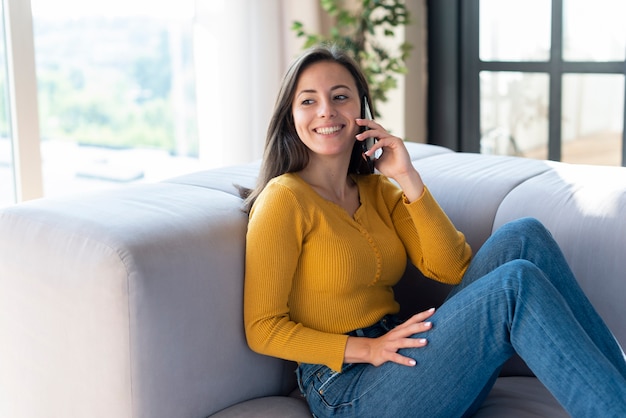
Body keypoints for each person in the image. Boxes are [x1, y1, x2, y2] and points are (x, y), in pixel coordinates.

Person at [240, 44, 626, 417]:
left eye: (340, 96)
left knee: (524, 236)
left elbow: (454, 268)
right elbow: (263, 329)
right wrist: (368, 349)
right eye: (308, 100)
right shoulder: (284, 198)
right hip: (347, 390)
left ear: (361, 108)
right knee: (514, 283)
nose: (326, 111)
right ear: (291, 116)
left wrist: (408, 177)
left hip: (414, 365)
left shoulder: (379, 191)